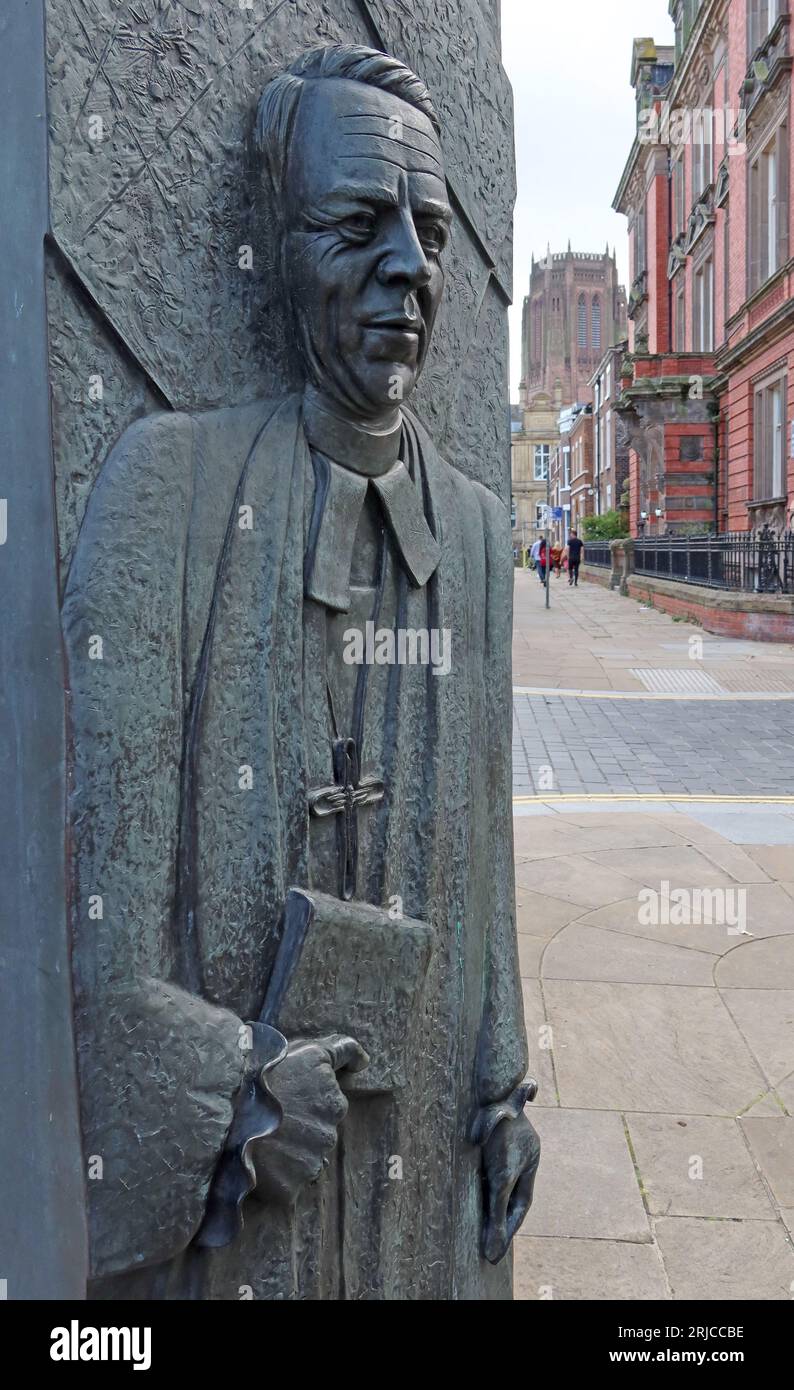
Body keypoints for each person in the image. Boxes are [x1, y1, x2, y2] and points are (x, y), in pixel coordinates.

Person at [61, 45, 539, 1301]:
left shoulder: (481, 536)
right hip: (247, 1226)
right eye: (353, 221)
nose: (407, 267)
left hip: (421, 1171)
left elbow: (482, 841)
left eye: (429, 230)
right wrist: (228, 1086)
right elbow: (90, 914)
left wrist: (500, 1090)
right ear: (277, 244)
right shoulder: (164, 493)